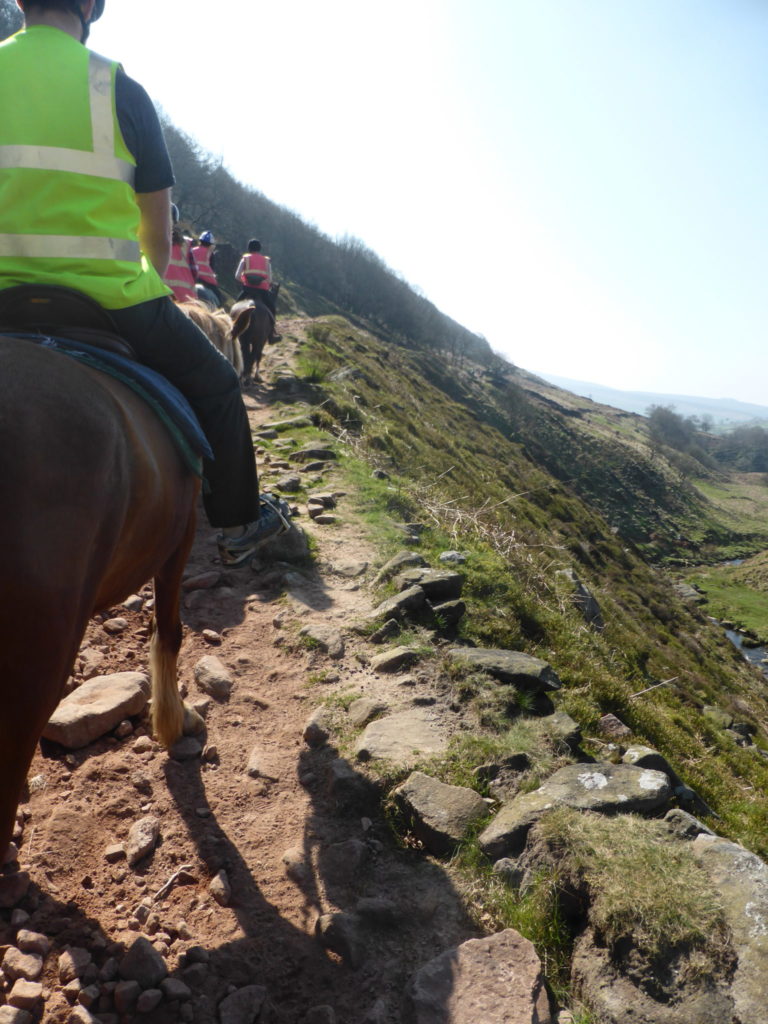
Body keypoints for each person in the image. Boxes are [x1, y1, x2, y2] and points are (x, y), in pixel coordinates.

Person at [0, 0, 289, 566]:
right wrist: (146, 278)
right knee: (219, 387)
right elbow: (156, 236)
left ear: (17, 1)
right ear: (88, 6)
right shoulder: (119, 89)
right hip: (111, 299)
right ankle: (237, 521)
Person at [235, 239, 281, 341]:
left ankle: (231, 328)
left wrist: (244, 280)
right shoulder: (266, 261)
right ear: (260, 249)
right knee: (271, 308)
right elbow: (269, 279)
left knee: (235, 306)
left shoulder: (245, 259)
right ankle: (272, 334)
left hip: (247, 290)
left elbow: (237, 276)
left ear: (249, 248)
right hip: (262, 291)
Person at [163, 204, 198, 303]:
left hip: (158, 295)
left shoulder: (146, 238)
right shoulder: (186, 244)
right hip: (187, 299)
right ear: (174, 222)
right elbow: (195, 272)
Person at [191, 230, 224, 307]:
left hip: (193, 277)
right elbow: (212, 268)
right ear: (210, 244)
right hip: (207, 280)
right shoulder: (210, 253)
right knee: (219, 297)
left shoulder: (192, 250)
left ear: (200, 241)